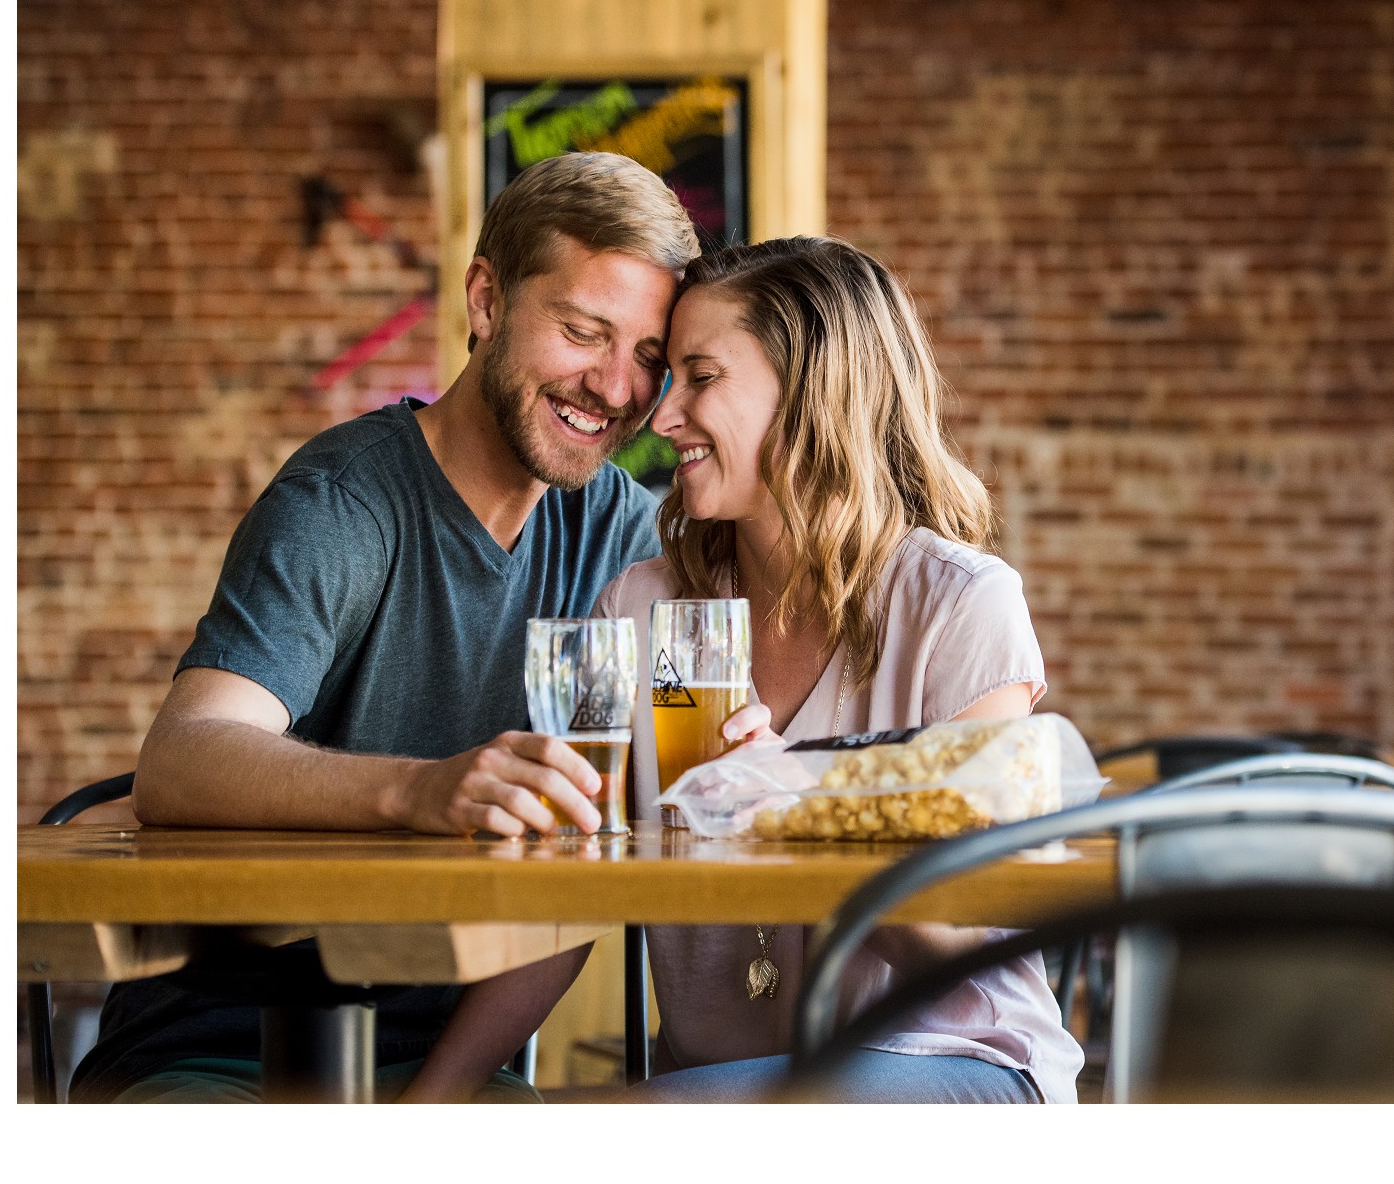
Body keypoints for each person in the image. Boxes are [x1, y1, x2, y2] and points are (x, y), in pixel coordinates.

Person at [69, 152, 701, 1103]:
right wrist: (425, 790)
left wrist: (428, 1110)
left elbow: (589, 861)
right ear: (486, 299)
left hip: (445, 1065)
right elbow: (185, 756)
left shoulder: (619, 533)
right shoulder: (343, 503)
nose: (615, 388)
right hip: (227, 1052)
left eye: (649, 356)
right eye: (582, 331)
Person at [409, 236, 1085, 1104]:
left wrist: (808, 813)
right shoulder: (631, 609)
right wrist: (430, 1104)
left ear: (811, 394)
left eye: (701, 377)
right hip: (717, 1084)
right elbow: (565, 896)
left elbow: (962, 942)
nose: (659, 417)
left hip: (957, 1065)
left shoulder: (962, 605)